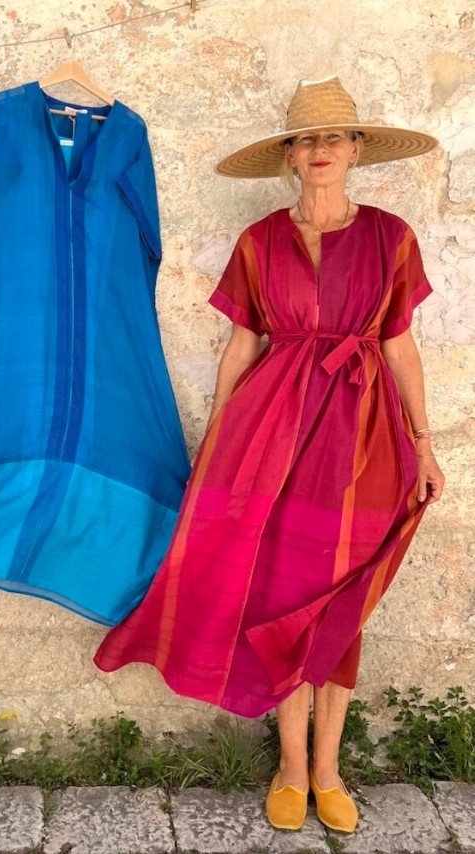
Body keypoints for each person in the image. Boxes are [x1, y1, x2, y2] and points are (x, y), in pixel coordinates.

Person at [94, 76, 444, 834]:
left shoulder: (391, 237)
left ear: (356, 150)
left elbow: (399, 347)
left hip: (363, 438)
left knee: (341, 602)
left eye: (333, 137)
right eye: (305, 139)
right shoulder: (258, 242)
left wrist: (423, 443)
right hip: (272, 435)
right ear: (288, 155)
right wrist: (219, 438)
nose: (320, 150)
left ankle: (328, 768)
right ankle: (290, 765)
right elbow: (241, 346)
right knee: (280, 596)